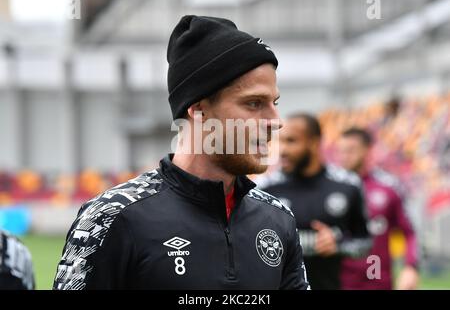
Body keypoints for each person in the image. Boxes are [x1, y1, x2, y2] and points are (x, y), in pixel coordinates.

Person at [53, 15, 309, 290]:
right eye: (255, 103)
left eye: (275, 102)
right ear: (198, 110)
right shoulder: (112, 217)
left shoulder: (278, 219)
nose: (276, 120)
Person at [257, 113, 372, 290]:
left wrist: (339, 245)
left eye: (292, 141)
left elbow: (365, 241)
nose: (283, 150)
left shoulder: (348, 185)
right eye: (281, 141)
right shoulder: (265, 190)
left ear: (314, 143)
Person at [337, 127, 419, 290]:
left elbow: (409, 232)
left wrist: (411, 266)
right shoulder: (331, 188)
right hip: (337, 281)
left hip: (375, 280)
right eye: (342, 151)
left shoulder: (388, 187)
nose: (345, 156)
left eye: (351, 150)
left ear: (367, 151)